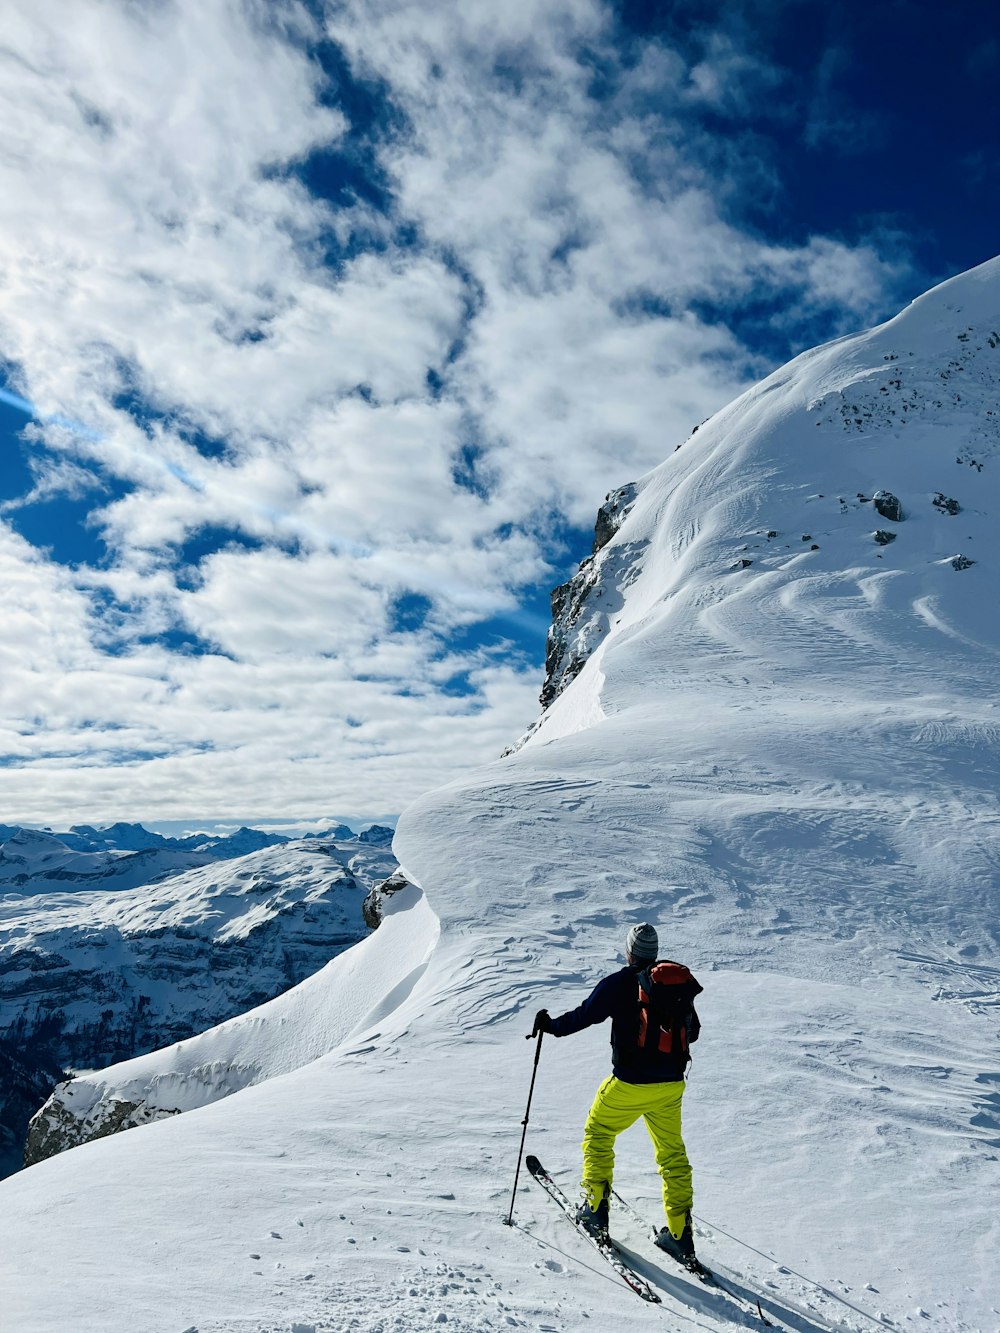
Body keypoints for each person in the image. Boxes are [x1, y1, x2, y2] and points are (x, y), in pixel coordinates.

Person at [532, 922, 703, 1263]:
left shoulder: (620, 983)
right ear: (652, 953)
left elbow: (584, 1016)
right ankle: (680, 1236)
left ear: (629, 952)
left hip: (628, 1084)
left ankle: (596, 1209)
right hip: (670, 1086)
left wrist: (549, 1025)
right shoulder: (673, 985)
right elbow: (692, 1032)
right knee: (672, 1156)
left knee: (598, 1132)